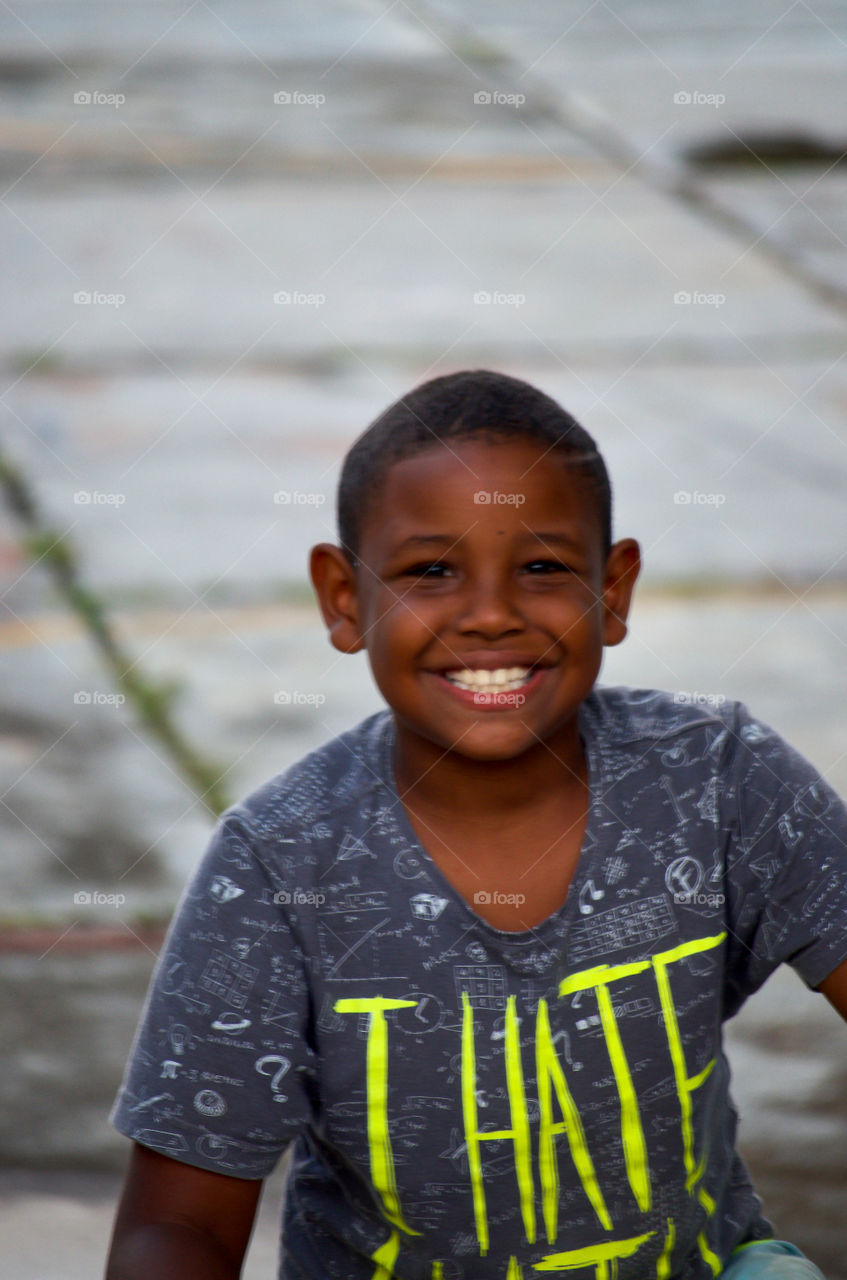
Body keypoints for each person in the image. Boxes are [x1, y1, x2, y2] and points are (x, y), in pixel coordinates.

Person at [105, 370, 847, 1280]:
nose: (491, 614)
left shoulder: (718, 777)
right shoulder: (280, 863)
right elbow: (178, 1227)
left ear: (612, 591)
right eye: (429, 571)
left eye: (542, 568)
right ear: (344, 599)